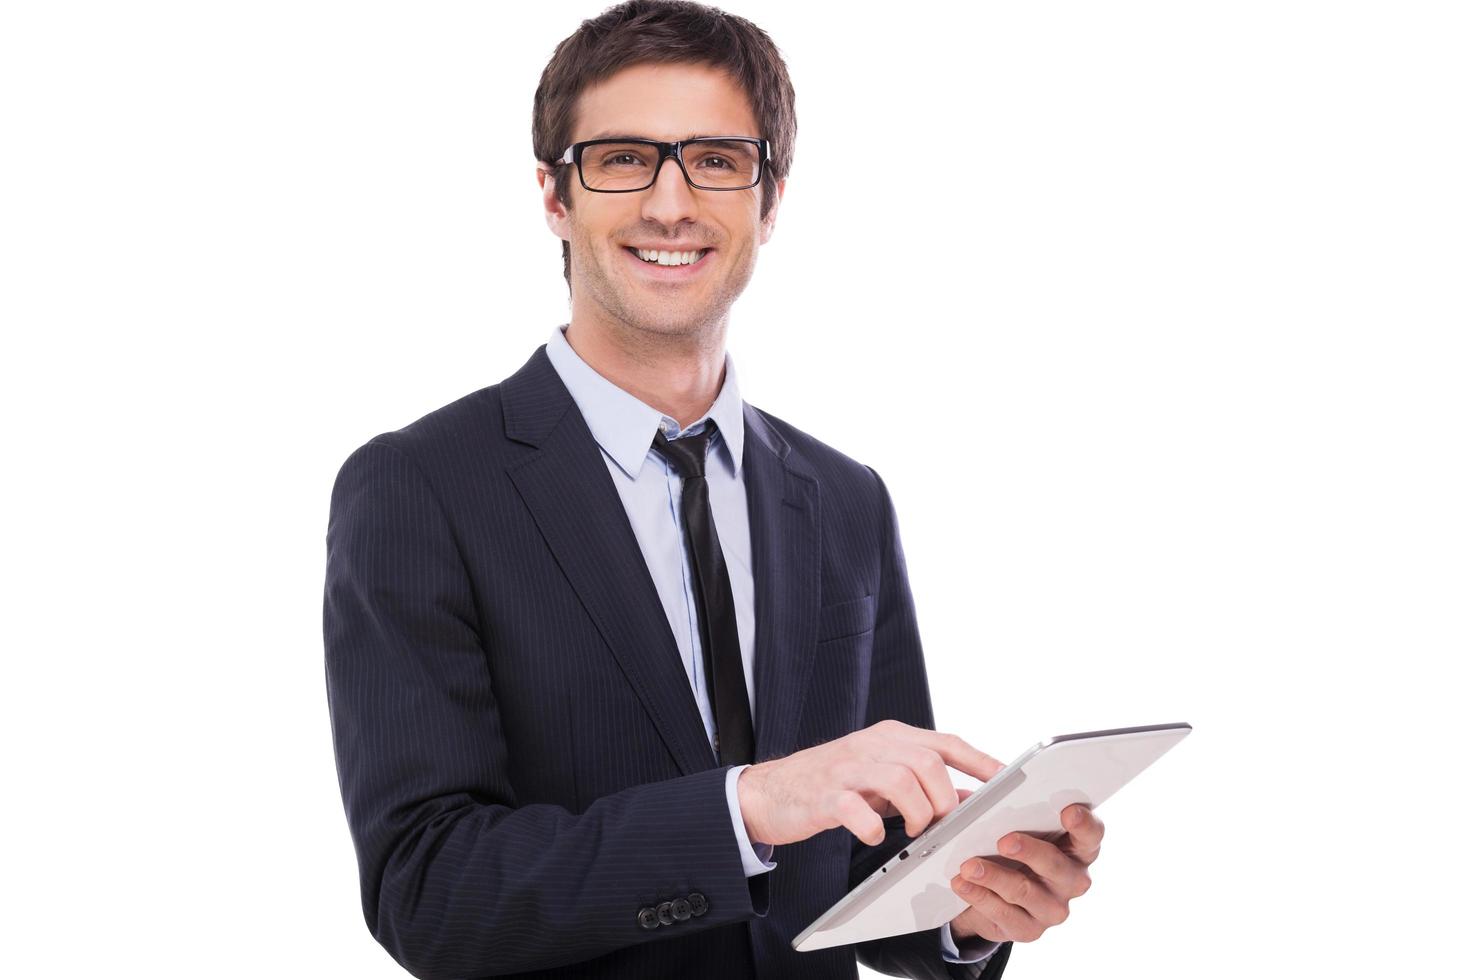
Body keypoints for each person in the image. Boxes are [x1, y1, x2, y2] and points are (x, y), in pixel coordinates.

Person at [322, 2, 1104, 977]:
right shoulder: (422, 487)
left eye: (716, 160)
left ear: (767, 199)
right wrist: (745, 807)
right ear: (554, 196)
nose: (669, 202)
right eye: (620, 157)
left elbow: (870, 871)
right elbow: (427, 890)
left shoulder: (842, 499)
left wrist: (970, 910)